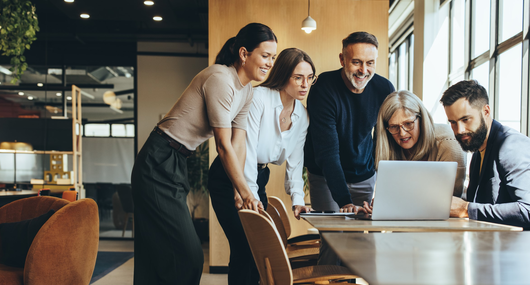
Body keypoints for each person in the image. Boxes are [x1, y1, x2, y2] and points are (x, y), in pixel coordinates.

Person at [130, 23, 277, 285]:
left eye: (273, 58)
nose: (269, 63)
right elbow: (222, 145)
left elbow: (238, 142)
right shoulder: (221, 79)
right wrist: (246, 192)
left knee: (161, 252)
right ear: (244, 54)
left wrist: (238, 187)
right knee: (188, 256)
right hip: (158, 159)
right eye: (265, 55)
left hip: (177, 160)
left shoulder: (246, 92)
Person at [209, 47, 315, 285]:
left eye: (310, 78)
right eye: (298, 77)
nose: (305, 84)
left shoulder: (302, 115)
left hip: (260, 175)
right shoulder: (259, 98)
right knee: (243, 245)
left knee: (257, 246)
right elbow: (247, 149)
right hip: (230, 175)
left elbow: (296, 161)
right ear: (284, 74)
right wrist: (248, 194)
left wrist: (298, 199)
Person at [303, 31, 394, 264]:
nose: (363, 70)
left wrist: (383, 187)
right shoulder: (324, 87)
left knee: (357, 245)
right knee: (334, 243)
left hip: (363, 173)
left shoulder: (384, 89)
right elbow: (327, 153)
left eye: (370, 63)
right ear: (342, 59)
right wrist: (345, 201)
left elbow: (387, 141)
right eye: (356, 62)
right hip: (325, 174)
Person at [440, 80, 530, 229]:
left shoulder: (510, 145)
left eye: (465, 119)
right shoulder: (478, 150)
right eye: (453, 122)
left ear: (486, 112)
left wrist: (466, 209)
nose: (460, 130)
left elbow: (527, 210)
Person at [374, 90, 466, 196]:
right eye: (394, 127)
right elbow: (390, 196)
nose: (402, 134)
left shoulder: (448, 142)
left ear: (422, 119)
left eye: (408, 124)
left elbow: (451, 199)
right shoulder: (388, 144)